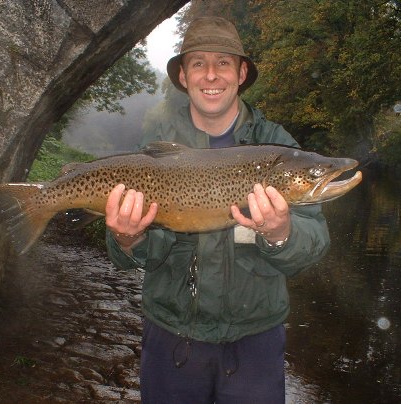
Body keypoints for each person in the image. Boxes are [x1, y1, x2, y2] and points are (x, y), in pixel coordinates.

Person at [105, 16, 330, 404]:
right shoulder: (157, 147)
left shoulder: (277, 147)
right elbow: (134, 258)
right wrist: (127, 238)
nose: (211, 75)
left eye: (223, 62)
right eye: (198, 63)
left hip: (254, 343)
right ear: (183, 76)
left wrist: (281, 234)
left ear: (241, 73)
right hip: (170, 336)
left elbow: (315, 245)